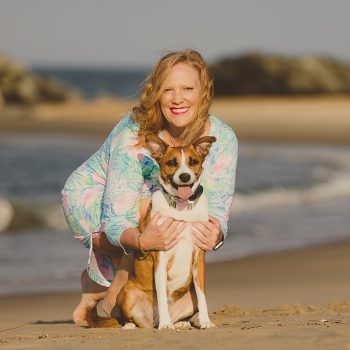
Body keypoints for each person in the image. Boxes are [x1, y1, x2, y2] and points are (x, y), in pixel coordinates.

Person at [62, 49, 238, 325]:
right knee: (154, 204)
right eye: (168, 89)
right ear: (156, 93)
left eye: (188, 88)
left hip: (146, 198)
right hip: (91, 200)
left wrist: (216, 232)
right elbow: (117, 218)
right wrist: (144, 241)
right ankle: (101, 284)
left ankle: (120, 289)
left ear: (204, 91)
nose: (178, 98)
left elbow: (217, 207)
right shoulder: (135, 132)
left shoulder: (223, 138)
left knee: (169, 209)